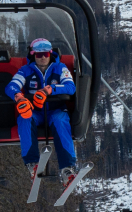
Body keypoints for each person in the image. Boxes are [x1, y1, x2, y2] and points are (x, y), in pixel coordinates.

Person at [6, 38, 78, 185]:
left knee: (60, 120)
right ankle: (32, 163)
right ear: (33, 55)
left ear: (50, 53)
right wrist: (18, 96)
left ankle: (67, 168)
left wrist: (50, 89)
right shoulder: (26, 70)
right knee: (24, 118)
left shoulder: (60, 68)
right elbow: (11, 86)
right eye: (39, 55)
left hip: (55, 109)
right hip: (36, 112)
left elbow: (70, 87)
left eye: (45, 54)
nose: (43, 57)